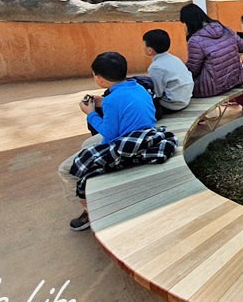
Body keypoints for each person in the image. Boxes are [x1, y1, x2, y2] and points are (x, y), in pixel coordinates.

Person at [59, 51, 174, 232]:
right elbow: (126, 105)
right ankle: (94, 190)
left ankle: (90, 211)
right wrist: (102, 103)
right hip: (146, 134)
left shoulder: (113, 100)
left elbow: (108, 134)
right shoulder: (138, 87)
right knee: (86, 145)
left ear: (100, 79)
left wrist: (90, 113)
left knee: (65, 169)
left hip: (125, 143)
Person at [180, 4, 243, 111]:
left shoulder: (195, 40)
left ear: (189, 22)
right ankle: (241, 99)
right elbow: (241, 47)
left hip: (213, 86)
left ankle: (201, 118)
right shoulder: (225, 28)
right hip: (236, 78)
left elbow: (193, 69)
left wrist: (182, 74)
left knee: (184, 88)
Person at [142, 29, 193, 118]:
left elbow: (157, 93)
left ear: (150, 50)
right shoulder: (174, 58)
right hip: (185, 99)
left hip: (173, 105)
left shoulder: (155, 67)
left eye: (144, 45)